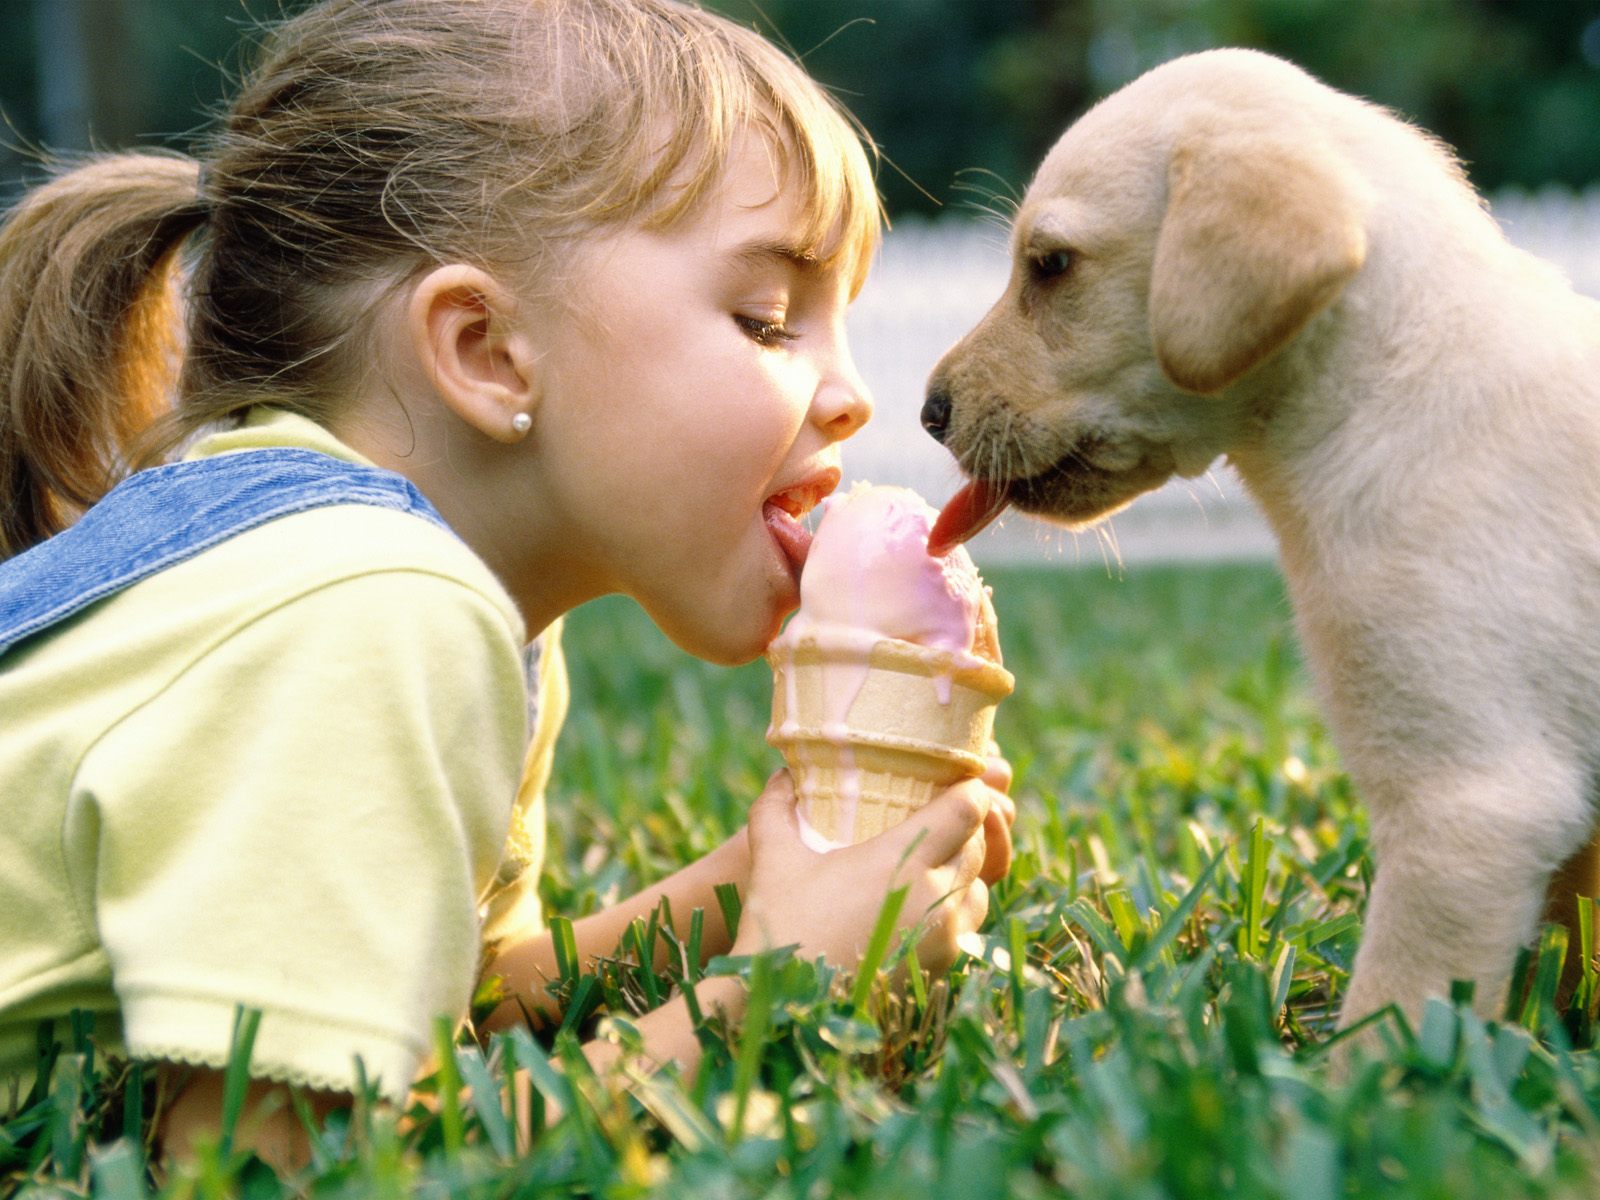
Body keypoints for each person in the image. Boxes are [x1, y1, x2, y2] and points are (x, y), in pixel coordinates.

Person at [0, 0, 1014, 1171]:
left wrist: (746, 886)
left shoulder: (437, 604)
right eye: (768, 318)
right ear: (483, 349)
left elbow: (469, 1010)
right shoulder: (365, 607)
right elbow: (268, 1164)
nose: (850, 394)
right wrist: (772, 992)